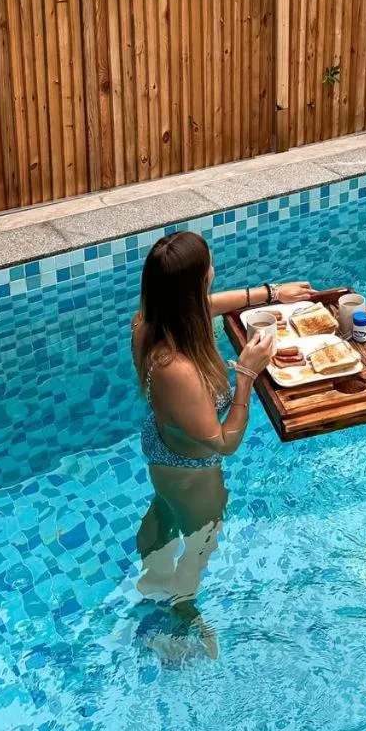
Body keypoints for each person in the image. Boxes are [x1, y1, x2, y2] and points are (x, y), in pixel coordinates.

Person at [132, 230, 312, 643]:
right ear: (198, 281)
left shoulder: (148, 320)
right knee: (203, 538)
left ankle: (152, 577)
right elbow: (224, 443)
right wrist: (247, 372)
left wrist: (271, 293)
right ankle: (182, 611)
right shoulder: (177, 369)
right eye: (209, 266)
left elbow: (205, 305)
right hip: (191, 470)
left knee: (164, 508)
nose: (214, 270)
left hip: (162, 450)